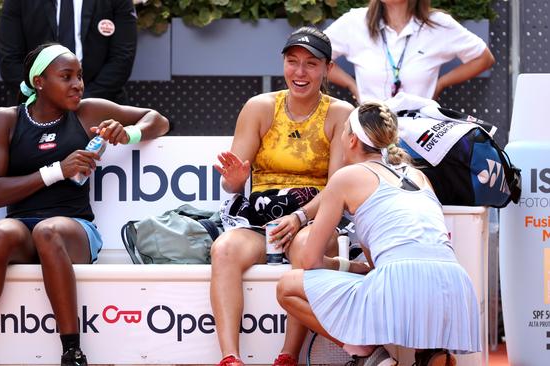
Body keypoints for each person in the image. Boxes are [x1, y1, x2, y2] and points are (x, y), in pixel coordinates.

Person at [0, 43, 169, 366]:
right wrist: (57, 171)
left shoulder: (89, 111)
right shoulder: (5, 120)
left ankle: (72, 352)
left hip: (74, 229)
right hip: (22, 228)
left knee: (47, 230)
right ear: (39, 82)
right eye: (66, 77)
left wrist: (129, 134)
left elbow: (159, 120)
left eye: (80, 76)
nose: (77, 84)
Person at [276, 102, 481, 366]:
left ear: (351, 140)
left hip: (404, 282)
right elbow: (377, 266)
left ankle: (370, 355)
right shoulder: (419, 176)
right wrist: (358, 266)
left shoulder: (346, 177)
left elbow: (309, 262)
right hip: (454, 287)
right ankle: (432, 353)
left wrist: (337, 264)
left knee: (287, 288)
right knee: (410, 291)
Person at [211, 27, 355, 366]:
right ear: (283, 63)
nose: (300, 73)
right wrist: (234, 181)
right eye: (293, 62)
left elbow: (337, 185)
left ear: (327, 69)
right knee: (225, 249)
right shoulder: (259, 107)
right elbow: (233, 185)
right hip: (260, 217)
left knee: (308, 248)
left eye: (310, 64)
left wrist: (299, 217)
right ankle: (229, 358)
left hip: (313, 217)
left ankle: (288, 356)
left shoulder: (340, 113)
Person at [323, 0, 495, 102]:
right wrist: (351, 85)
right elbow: (316, 55)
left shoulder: (439, 25)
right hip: (370, 130)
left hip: (421, 134)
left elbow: (484, 59)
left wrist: (441, 83)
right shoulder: (355, 22)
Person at [0, 0, 137, 104]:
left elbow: (122, 58)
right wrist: (45, 101)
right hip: (35, 108)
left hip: (102, 106)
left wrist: (83, 100)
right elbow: (10, 60)